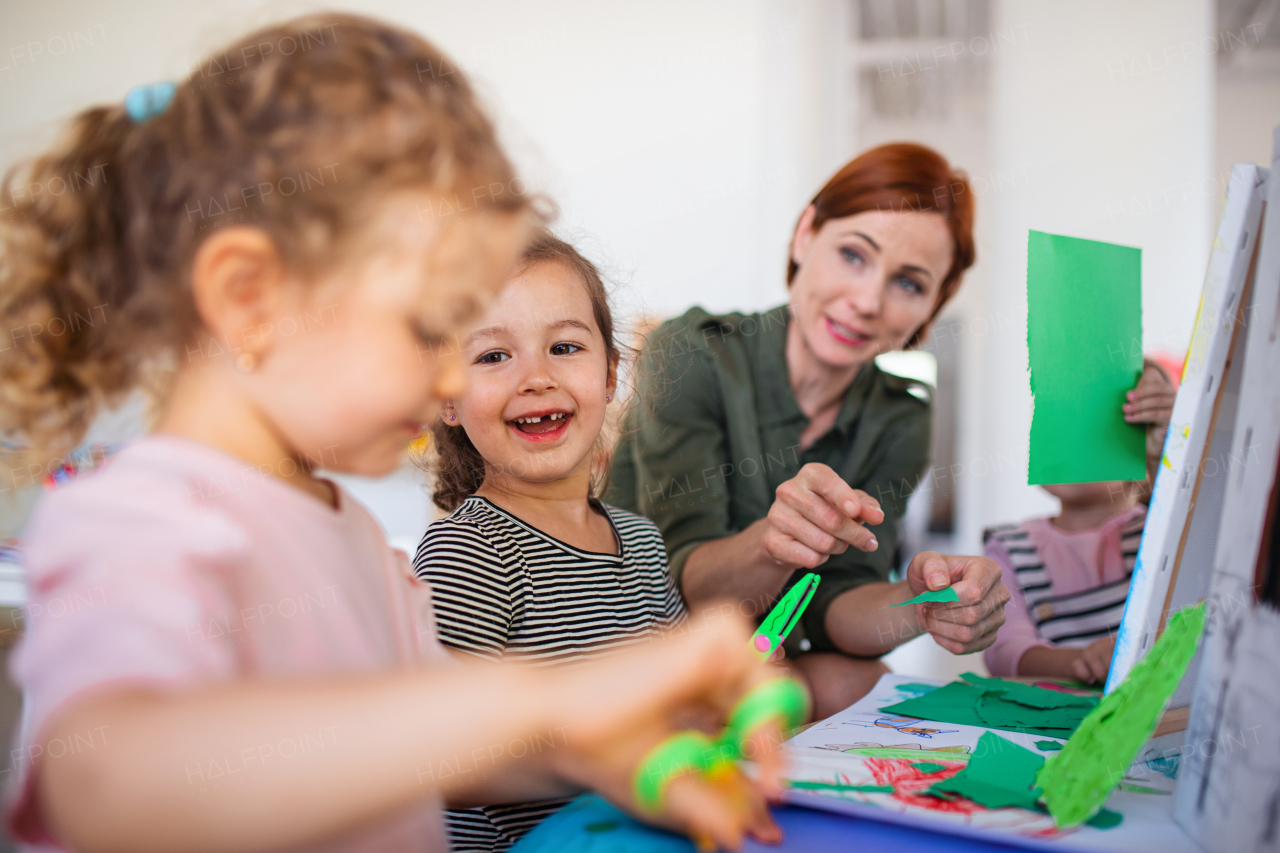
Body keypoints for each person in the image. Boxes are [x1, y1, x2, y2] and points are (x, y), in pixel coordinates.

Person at [0, 15, 784, 852]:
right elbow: (109, 781)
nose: (452, 380)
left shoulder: (358, 539)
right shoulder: (143, 521)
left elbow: (446, 750)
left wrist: (609, 752)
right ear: (252, 299)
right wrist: (546, 698)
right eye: (427, 328)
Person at [607, 143, 1011, 720]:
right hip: (638, 637)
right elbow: (691, 589)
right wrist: (775, 541)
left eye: (909, 285)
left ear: (930, 309)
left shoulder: (901, 416)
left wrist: (925, 602)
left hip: (748, 657)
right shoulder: (691, 353)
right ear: (805, 235)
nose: (867, 301)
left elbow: (835, 608)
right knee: (773, 693)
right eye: (853, 254)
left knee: (864, 684)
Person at [415, 231, 686, 851]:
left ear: (612, 373)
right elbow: (446, 759)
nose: (536, 377)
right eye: (492, 357)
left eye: (564, 346)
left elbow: (674, 708)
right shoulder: (467, 552)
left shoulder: (642, 543)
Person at [984, 359, 1176, 683]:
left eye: (1094, 430)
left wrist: (1165, 446)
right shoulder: (1009, 548)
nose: (1067, 443)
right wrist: (1080, 661)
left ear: (1146, 462)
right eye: (1054, 424)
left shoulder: (1154, 534)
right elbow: (1003, 653)